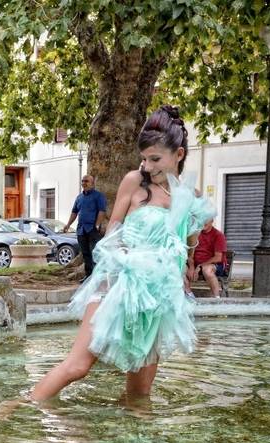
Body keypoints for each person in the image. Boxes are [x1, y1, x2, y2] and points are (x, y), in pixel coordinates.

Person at [29, 106, 214, 402]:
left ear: (178, 155)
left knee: (140, 393)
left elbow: (187, 246)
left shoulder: (189, 198)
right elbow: (111, 235)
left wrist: (185, 266)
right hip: (117, 283)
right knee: (77, 367)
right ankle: (24, 405)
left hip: (157, 298)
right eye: (144, 158)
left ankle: (127, 439)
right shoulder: (133, 182)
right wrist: (130, 259)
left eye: (155, 159)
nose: (147, 166)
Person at [62, 175, 107, 278]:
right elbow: (74, 212)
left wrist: (97, 224)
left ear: (92, 183)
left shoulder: (98, 196)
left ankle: (97, 277)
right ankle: (88, 276)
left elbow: (102, 211)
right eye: (82, 181)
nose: (84, 183)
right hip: (81, 230)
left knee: (94, 254)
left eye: (86, 181)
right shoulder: (79, 198)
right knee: (85, 254)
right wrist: (68, 225)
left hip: (93, 230)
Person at [184, 218, 228, 298]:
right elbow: (190, 254)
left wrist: (200, 266)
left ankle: (216, 298)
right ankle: (189, 295)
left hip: (215, 265)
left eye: (206, 219)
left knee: (207, 270)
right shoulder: (195, 234)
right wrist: (191, 267)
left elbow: (218, 257)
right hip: (196, 266)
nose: (203, 222)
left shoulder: (218, 235)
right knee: (179, 268)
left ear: (212, 221)